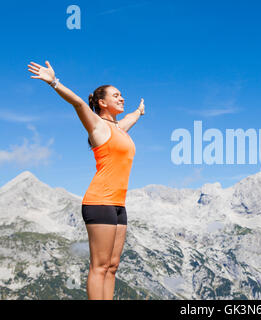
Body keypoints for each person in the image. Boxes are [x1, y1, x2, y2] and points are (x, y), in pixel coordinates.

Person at [27, 60, 145, 300]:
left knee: (112, 267)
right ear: (102, 103)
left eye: (122, 95)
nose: (122, 98)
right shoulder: (97, 126)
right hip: (99, 202)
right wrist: (54, 82)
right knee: (99, 266)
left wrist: (139, 112)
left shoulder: (119, 129)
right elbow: (79, 103)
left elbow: (131, 119)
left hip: (119, 206)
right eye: (116, 95)